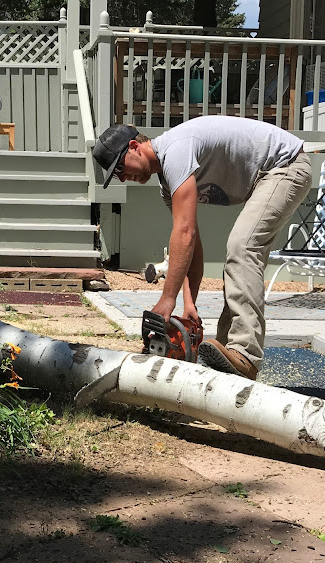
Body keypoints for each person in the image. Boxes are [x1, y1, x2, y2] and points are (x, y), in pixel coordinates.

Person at [92, 116, 312, 380]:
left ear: (133, 147)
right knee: (240, 258)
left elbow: (185, 233)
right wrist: (189, 304)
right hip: (266, 175)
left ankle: (246, 354)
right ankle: (229, 356)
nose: (122, 177)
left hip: (285, 165)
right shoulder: (168, 183)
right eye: (115, 175)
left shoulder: (175, 151)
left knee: (242, 247)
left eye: (119, 167)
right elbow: (191, 245)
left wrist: (168, 298)